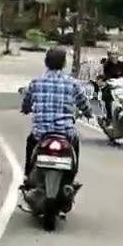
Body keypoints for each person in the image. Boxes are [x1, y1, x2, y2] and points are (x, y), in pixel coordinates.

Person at [20, 46, 90, 189]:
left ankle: (28, 175)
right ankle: (71, 177)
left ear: (46, 62)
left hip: (41, 133)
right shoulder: (72, 83)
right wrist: (88, 112)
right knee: (74, 144)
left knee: (31, 142)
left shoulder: (36, 82)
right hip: (65, 133)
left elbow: (27, 101)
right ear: (64, 63)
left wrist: (25, 109)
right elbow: (84, 103)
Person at [96, 47, 123, 123]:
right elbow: (104, 75)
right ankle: (109, 116)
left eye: (115, 54)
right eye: (112, 54)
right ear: (109, 55)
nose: (114, 56)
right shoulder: (106, 65)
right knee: (106, 95)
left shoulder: (122, 64)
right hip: (111, 85)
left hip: (121, 85)